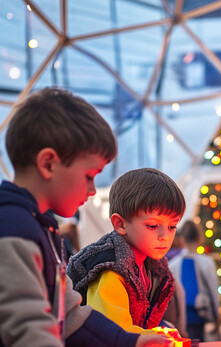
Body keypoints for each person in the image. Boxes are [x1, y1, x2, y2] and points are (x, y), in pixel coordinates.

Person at [0, 88, 172, 346]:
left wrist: (130, 342)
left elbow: (70, 317)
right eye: (89, 175)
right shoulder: (14, 228)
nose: (92, 190)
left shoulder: (41, 228)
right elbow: (28, 330)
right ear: (48, 163)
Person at [67, 168, 186, 334]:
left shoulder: (152, 269)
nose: (165, 236)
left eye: (172, 226)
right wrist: (159, 335)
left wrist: (164, 328)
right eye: (152, 226)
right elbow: (112, 332)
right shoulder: (109, 270)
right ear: (120, 224)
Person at [169, 220, 220, 342]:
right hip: (200, 314)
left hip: (179, 316)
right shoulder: (207, 263)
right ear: (199, 238)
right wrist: (216, 317)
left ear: (182, 239)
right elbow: (213, 291)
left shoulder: (173, 264)